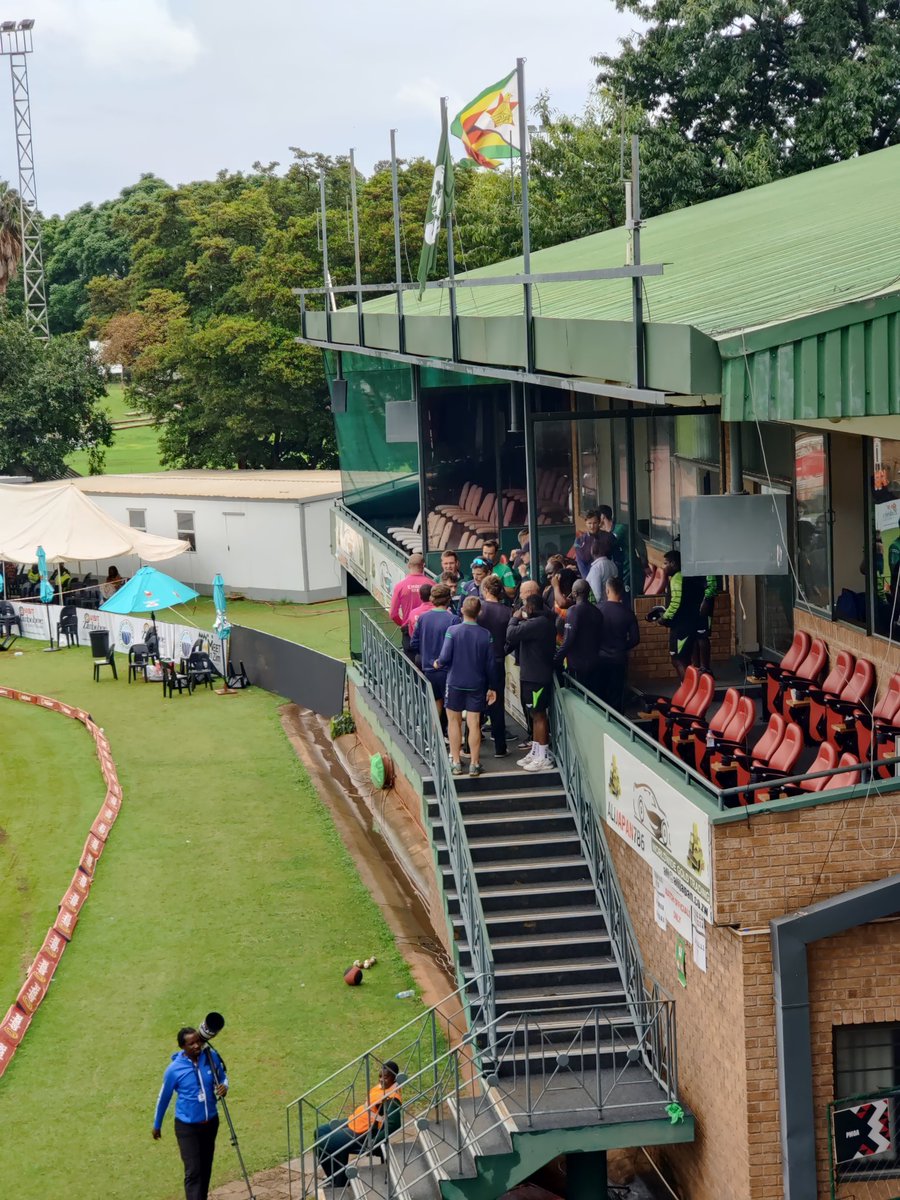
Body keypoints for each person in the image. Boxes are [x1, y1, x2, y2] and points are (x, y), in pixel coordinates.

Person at [152, 1026, 229, 1200]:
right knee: (193, 1170)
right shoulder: (174, 1070)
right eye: (191, 1043)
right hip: (187, 1127)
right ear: (182, 1047)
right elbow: (163, 1098)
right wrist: (157, 1124)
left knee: (205, 1167)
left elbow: (223, 1076)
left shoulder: (211, 1057)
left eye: (198, 1041)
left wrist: (225, 1087)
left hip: (211, 1123)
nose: (196, 1046)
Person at [436, 595, 497, 776]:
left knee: (453, 722)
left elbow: (445, 657)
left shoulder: (452, 631)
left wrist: (438, 663)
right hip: (476, 683)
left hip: (454, 682)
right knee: (474, 723)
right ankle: (474, 763)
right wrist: (492, 686)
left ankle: (456, 762)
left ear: (462, 610)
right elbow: (491, 664)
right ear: (479, 612)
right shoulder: (486, 635)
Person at [315, 1061, 403, 1188]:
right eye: (380, 1076)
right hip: (356, 1121)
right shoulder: (381, 1088)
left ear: (394, 1077)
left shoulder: (392, 1098)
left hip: (364, 1132)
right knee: (320, 1131)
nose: (381, 1080)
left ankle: (339, 1183)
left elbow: (394, 1125)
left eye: (386, 1077)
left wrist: (374, 1141)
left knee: (322, 1144)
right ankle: (336, 1176)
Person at [506, 594, 558, 772]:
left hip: (537, 678)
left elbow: (511, 634)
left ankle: (543, 756)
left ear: (530, 607)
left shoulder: (539, 624)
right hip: (532, 676)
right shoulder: (539, 622)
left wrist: (514, 618)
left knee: (539, 715)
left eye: (524, 606)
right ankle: (537, 751)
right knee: (534, 715)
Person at [658, 550, 707, 682]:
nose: (663, 566)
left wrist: (664, 618)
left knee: (678, 659)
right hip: (690, 623)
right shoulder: (689, 577)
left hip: (681, 627)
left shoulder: (677, 578)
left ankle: (688, 689)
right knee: (685, 658)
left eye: (665, 563)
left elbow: (675, 602)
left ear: (673, 564)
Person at [411, 584, 458, 715]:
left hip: (428, 669)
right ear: (448, 599)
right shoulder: (453, 619)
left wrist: (427, 653)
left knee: (435, 704)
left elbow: (414, 643)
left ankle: (434, 734)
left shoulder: (423, 618)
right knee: (451, 709)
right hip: (448, 671)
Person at [478, 573, 512, 756]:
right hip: (498, 661)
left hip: (479, 661)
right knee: (497, 704)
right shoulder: (507, 611)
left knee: (475, 703)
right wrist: (503, 650)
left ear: (485, 589)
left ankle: (469, 747)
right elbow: (512, 638)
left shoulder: (478, 608)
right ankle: (500, 747)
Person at [596, 576, 641, 711]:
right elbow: (635, 639)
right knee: (617, 692)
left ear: (607, 590)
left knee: (600, 691)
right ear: (621, 592)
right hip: (619, 658)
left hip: (600, 657)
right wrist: (621, 646)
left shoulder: (597, 609)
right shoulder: (628, 613)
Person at [554, 579, 605, 695]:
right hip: (595, 663)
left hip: (577, 666)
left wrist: (556, 659)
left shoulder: (573, 611)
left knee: (580, 698)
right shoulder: (597, 612)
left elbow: (568, 640)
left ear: (575, 593)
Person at [389, 554, 431, 658]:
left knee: (411, 667)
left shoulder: (400, 586)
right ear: (423, 565)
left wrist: (403, 624)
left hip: (409, 629)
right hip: (429, 628)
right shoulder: (432, 584)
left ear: (408, 565)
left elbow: (393, 614)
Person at [586, 533, 618, 605]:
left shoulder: (596, 568)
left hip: (600, 608)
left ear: (593, 550)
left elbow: (596, 595)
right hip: (611, 604)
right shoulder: (612, 565)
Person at [574, 510, 603, 579]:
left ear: (599, 522)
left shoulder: (607, 537)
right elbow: (580, 563)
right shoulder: (579, 540)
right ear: (585, 523)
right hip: (587, 577)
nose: (592, 526)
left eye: (595, 523)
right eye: (589, 523)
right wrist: (587, 580)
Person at [406, 582, 434, 650]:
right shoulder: (443, 612)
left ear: (420, 596)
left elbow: (411, 633)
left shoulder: (413, 613)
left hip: (420, 649)